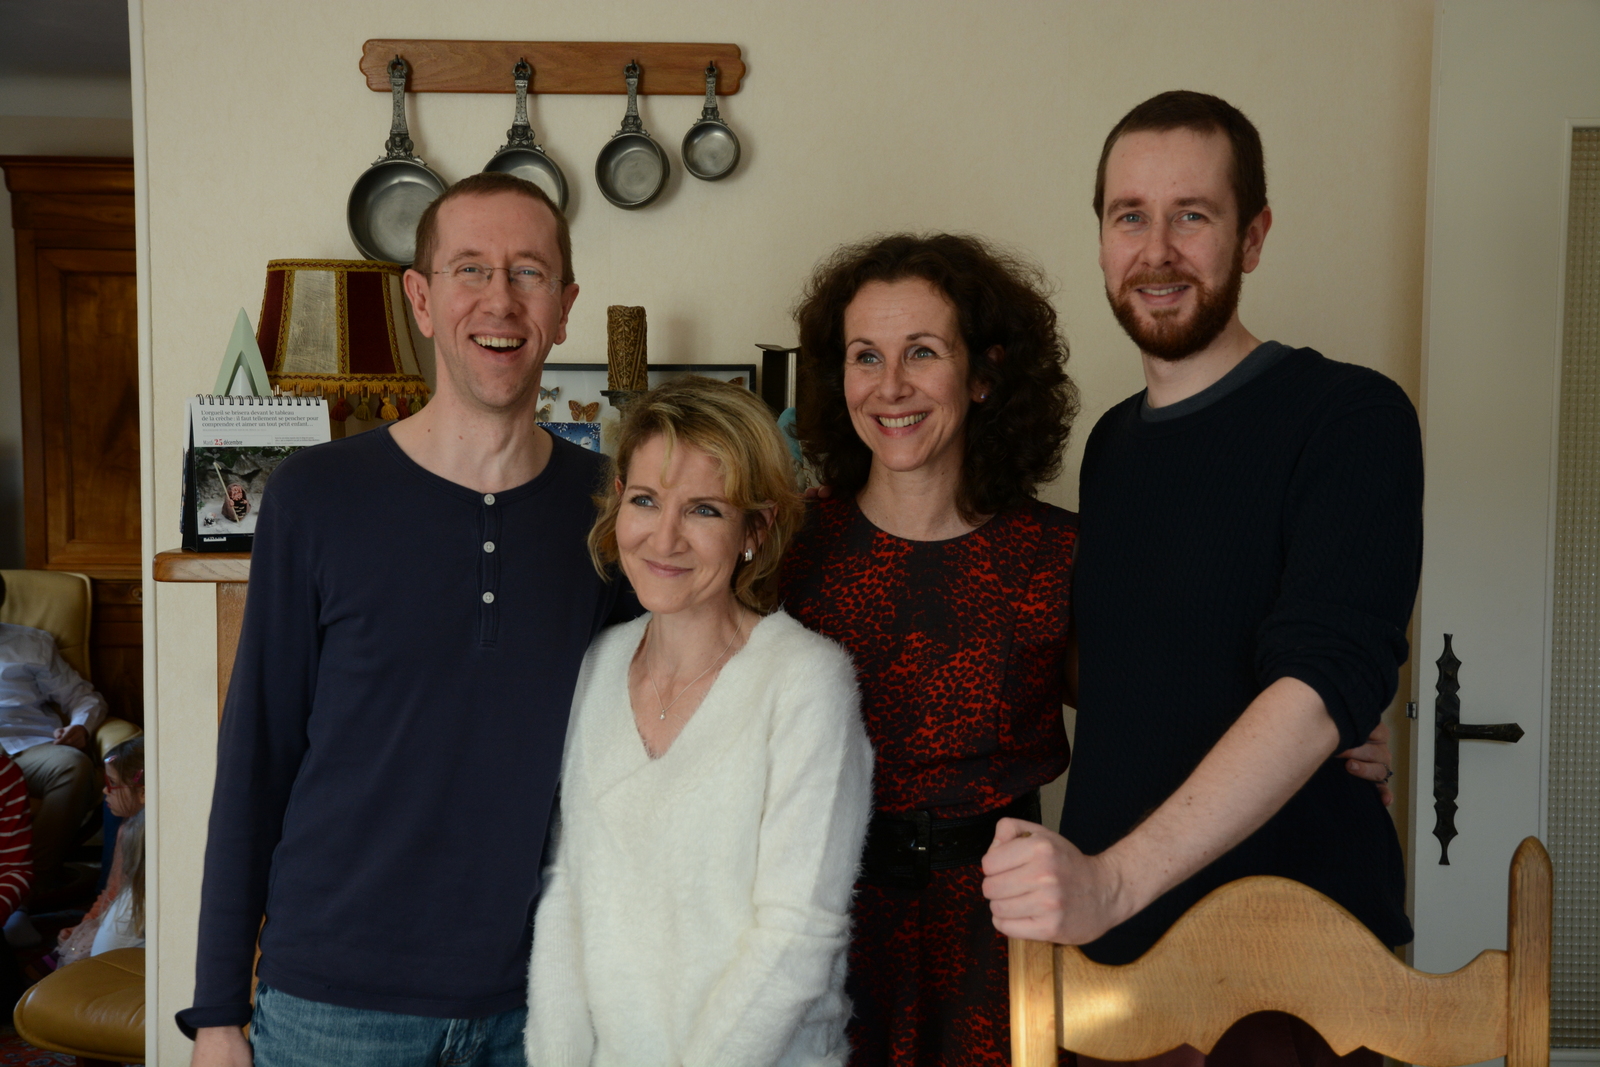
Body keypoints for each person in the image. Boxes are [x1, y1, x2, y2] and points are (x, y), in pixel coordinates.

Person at [982, 90, 1420, 1067]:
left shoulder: (1350, 417)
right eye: (1128, 216)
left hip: (1291, 967)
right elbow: (1139, 663)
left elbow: (1324, 671)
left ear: (1252, 236)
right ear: (1101, 237)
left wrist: (1327, 703)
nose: (1157, 250)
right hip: (1116, 972)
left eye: (1192, 215)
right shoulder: (1112, 445)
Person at [184, 171, 622, 1067]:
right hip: (332, 1006)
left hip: (540, 1004)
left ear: (565, 306)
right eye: (471, 269)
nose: (500, 299)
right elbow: (257, 752)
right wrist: (219, 1012)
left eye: (529, 272)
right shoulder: (315, 495)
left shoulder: (617, 510)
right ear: (421, 299)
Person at [778, 232, 1080, 1066]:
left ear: (984, 374)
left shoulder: (1057, 555)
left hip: (1001, 940)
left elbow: (1159, 713)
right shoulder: (788, 548)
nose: (891, 386)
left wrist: (1335, 731)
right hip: (824, 929)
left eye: (922, 352)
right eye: (865, 356)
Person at [527, 377, 872, 1065]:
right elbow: (569, 895)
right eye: (645, 500)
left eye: (704, 510)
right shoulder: (598, 664)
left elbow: (796, 939)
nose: (665, 537)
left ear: (755, 530)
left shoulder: (806, 683)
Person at [0, 573, 106, 891]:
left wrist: (81, 726)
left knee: (73, 765)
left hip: (29, 749)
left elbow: (83, 697)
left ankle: (31, 884)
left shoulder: (32, 644)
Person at [58, 735, 144, 966]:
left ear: (143, 793)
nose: (106, 790)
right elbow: (112, 889)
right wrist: (85, 924)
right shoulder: (125, 828)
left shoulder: (135, 834)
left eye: (112, 783)